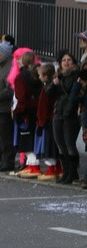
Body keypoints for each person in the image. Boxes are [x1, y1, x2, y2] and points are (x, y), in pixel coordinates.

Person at [47, 50, 81, 184]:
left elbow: (75, 94)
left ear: (73, 62)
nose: (66, 62)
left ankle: (73, 173)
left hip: (71, 114)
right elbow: (49, 93)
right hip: (58, 112)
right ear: (60, 64)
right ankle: (65, 172)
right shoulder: (58, 76)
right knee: (60, 144)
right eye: (64, 60)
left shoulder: (76, 75)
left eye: (69, 60)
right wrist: (54, 83)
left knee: (69, 143)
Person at [0, 40, 16, 171]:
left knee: (5, 136)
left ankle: (8, 161)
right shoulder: (3, 66)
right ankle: (4, 160)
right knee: (0, 135)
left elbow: (10, 87)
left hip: (4, 107)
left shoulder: (9, 67)